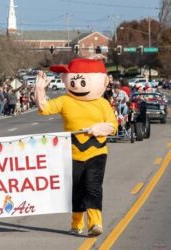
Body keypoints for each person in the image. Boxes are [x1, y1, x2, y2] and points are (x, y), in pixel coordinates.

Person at [35, 58, 117, 237]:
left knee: (93, 186)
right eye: (74, 81)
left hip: (97, 152)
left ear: (102, 81)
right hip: (71, 153)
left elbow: (113, 125)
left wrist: (98, 129)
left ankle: (95, 223)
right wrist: (40, 90)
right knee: (76, 189)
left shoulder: (102, 103)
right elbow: (44, 108)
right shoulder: (65, 100)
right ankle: (76, 222)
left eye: (82, 81)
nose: (78, 85)